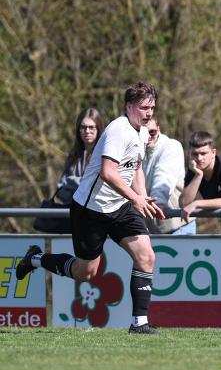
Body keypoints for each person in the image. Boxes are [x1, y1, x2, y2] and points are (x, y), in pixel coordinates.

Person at [16, 82, 166, 334]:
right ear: (129, 106)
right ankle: (35, 259)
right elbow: (108, 173)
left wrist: (142, 196)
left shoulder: (141, 131)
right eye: (144, 108)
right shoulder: (118, 130)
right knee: (86, 272)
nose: (149, 113)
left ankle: (139, 324)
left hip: (119, 206)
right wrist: (135, 198)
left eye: (152, 107)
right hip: (91, 209)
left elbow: (136, 166)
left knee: (146, 256)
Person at [143, 116, 193, 235]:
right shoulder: (135, 151)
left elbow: (164, 177)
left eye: (152, 132)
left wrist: (158, 201)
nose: (148, 136)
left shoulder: (171, 146)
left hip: (178, 226)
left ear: (159, 129)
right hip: (151, 230)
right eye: (143, 132)